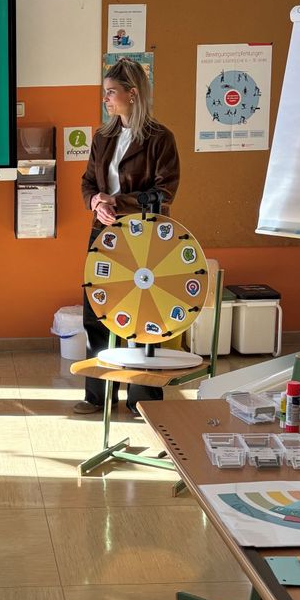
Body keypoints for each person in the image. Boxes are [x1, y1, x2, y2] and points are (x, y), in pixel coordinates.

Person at [75, 56, 180, 415]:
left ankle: (143, 400)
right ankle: (98, 395)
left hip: (145, 239)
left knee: (144, 318)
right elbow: (88, 182)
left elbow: (165, 193)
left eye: (111, 92)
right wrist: (95, 203)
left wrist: (116, 203)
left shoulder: (160, 139)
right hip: (104, 236)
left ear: (132, 93)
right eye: (104, 92)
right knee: (97, 314)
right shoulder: (102, 137)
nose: (105, 99)